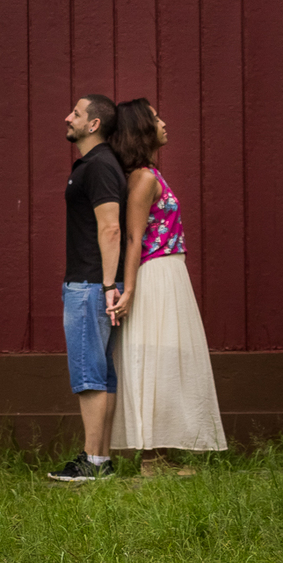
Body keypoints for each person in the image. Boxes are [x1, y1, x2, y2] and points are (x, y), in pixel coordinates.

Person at [109, 98, 226, 474]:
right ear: (142, 129)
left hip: (169, 270)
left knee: (167, 359)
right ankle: (150, 460)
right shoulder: (143, 179)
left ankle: (159, 456)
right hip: (154, 274)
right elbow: (133, 237)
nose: (163, 123)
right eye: (156, 118)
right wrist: (129, 290)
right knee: (155, 358)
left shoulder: (151, 175)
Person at [48, 94, 127, 483]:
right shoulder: (98, 164)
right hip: (96, 283)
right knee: (101, 373)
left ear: (94, 124)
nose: (68, 117)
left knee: (89, 374)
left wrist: (108, 284)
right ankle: (101, 460)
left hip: (91, 284)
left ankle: (93, 462)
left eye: (76, 113)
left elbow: (111, 227)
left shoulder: (98, 166)